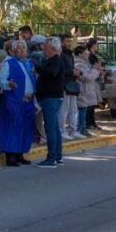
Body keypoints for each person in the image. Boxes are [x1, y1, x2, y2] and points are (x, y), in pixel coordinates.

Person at [0, 39, 36, 166]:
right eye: (18, 48)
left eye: (23, 48)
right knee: (12, 127)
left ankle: (20, 153)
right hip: (13, 100)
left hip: (28, 101)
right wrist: (8, 84)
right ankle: (10, 155)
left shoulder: (29, 64)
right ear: (13, 51)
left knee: (25, 127)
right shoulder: (8, 63)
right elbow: (0, 80)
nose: (21, 50)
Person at [36, 37, 65, 168]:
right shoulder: (52, 60)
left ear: (52, 48)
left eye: (46, 47)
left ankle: (51, 158)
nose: (43, 49)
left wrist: (38, 68)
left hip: (51, 98)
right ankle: (57, 156)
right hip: (51, 97)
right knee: (54, 127)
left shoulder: (55, 61)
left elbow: (51, 73)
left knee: (50, 128)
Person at [59, 33, 81, 140]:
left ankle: (73, 130)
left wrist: (76, 72)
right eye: (67, 41)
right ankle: (62, 130)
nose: (69, 43)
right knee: (64, 109)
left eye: (70, 41)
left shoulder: (69, 54)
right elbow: (61, 70)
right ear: (62, 42)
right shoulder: (61, 54)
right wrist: (72, 72)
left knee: (73, 109)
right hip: (64, 85)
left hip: (71, 84)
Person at [74, 45, 99, 137]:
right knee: (81, 110)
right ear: (80, 54)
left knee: (83, 110)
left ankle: (82, 129)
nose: (87, 55)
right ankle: (81, 129)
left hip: (85, 91)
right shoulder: (79, 64)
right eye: (85, 53)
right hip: (82, 91)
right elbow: (87, 77)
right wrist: (95, 70)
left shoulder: (85, 63)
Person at [85, 38, 103, 130]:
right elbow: (95, 67)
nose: (97, 46)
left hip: (93, 81)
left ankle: (92, 122)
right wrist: (99, 69)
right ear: (93, 45)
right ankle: (89, 123)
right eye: (96, 44)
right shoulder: (90, 55)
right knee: (90, 104)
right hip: (90, 81)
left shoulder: (91, 55)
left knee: (92, 103)